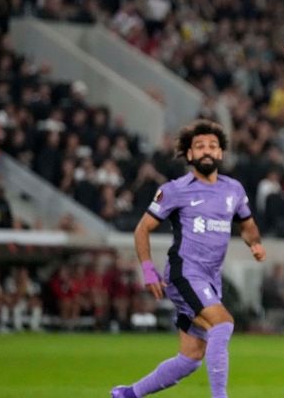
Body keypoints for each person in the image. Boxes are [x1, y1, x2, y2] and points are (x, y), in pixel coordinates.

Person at [111, 120, 266, 398]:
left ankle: (127, 394)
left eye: (212, 146)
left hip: (211, 278)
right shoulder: (175, 190)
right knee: (223, 323)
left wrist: (254, 243)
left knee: (190, 358)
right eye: (199, 146)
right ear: (190, 154)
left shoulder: (234, 190)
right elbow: (142, 229)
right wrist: (148, 271)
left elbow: (247, 224)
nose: (207, 151)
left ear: (220, 153)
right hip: (185, 273)